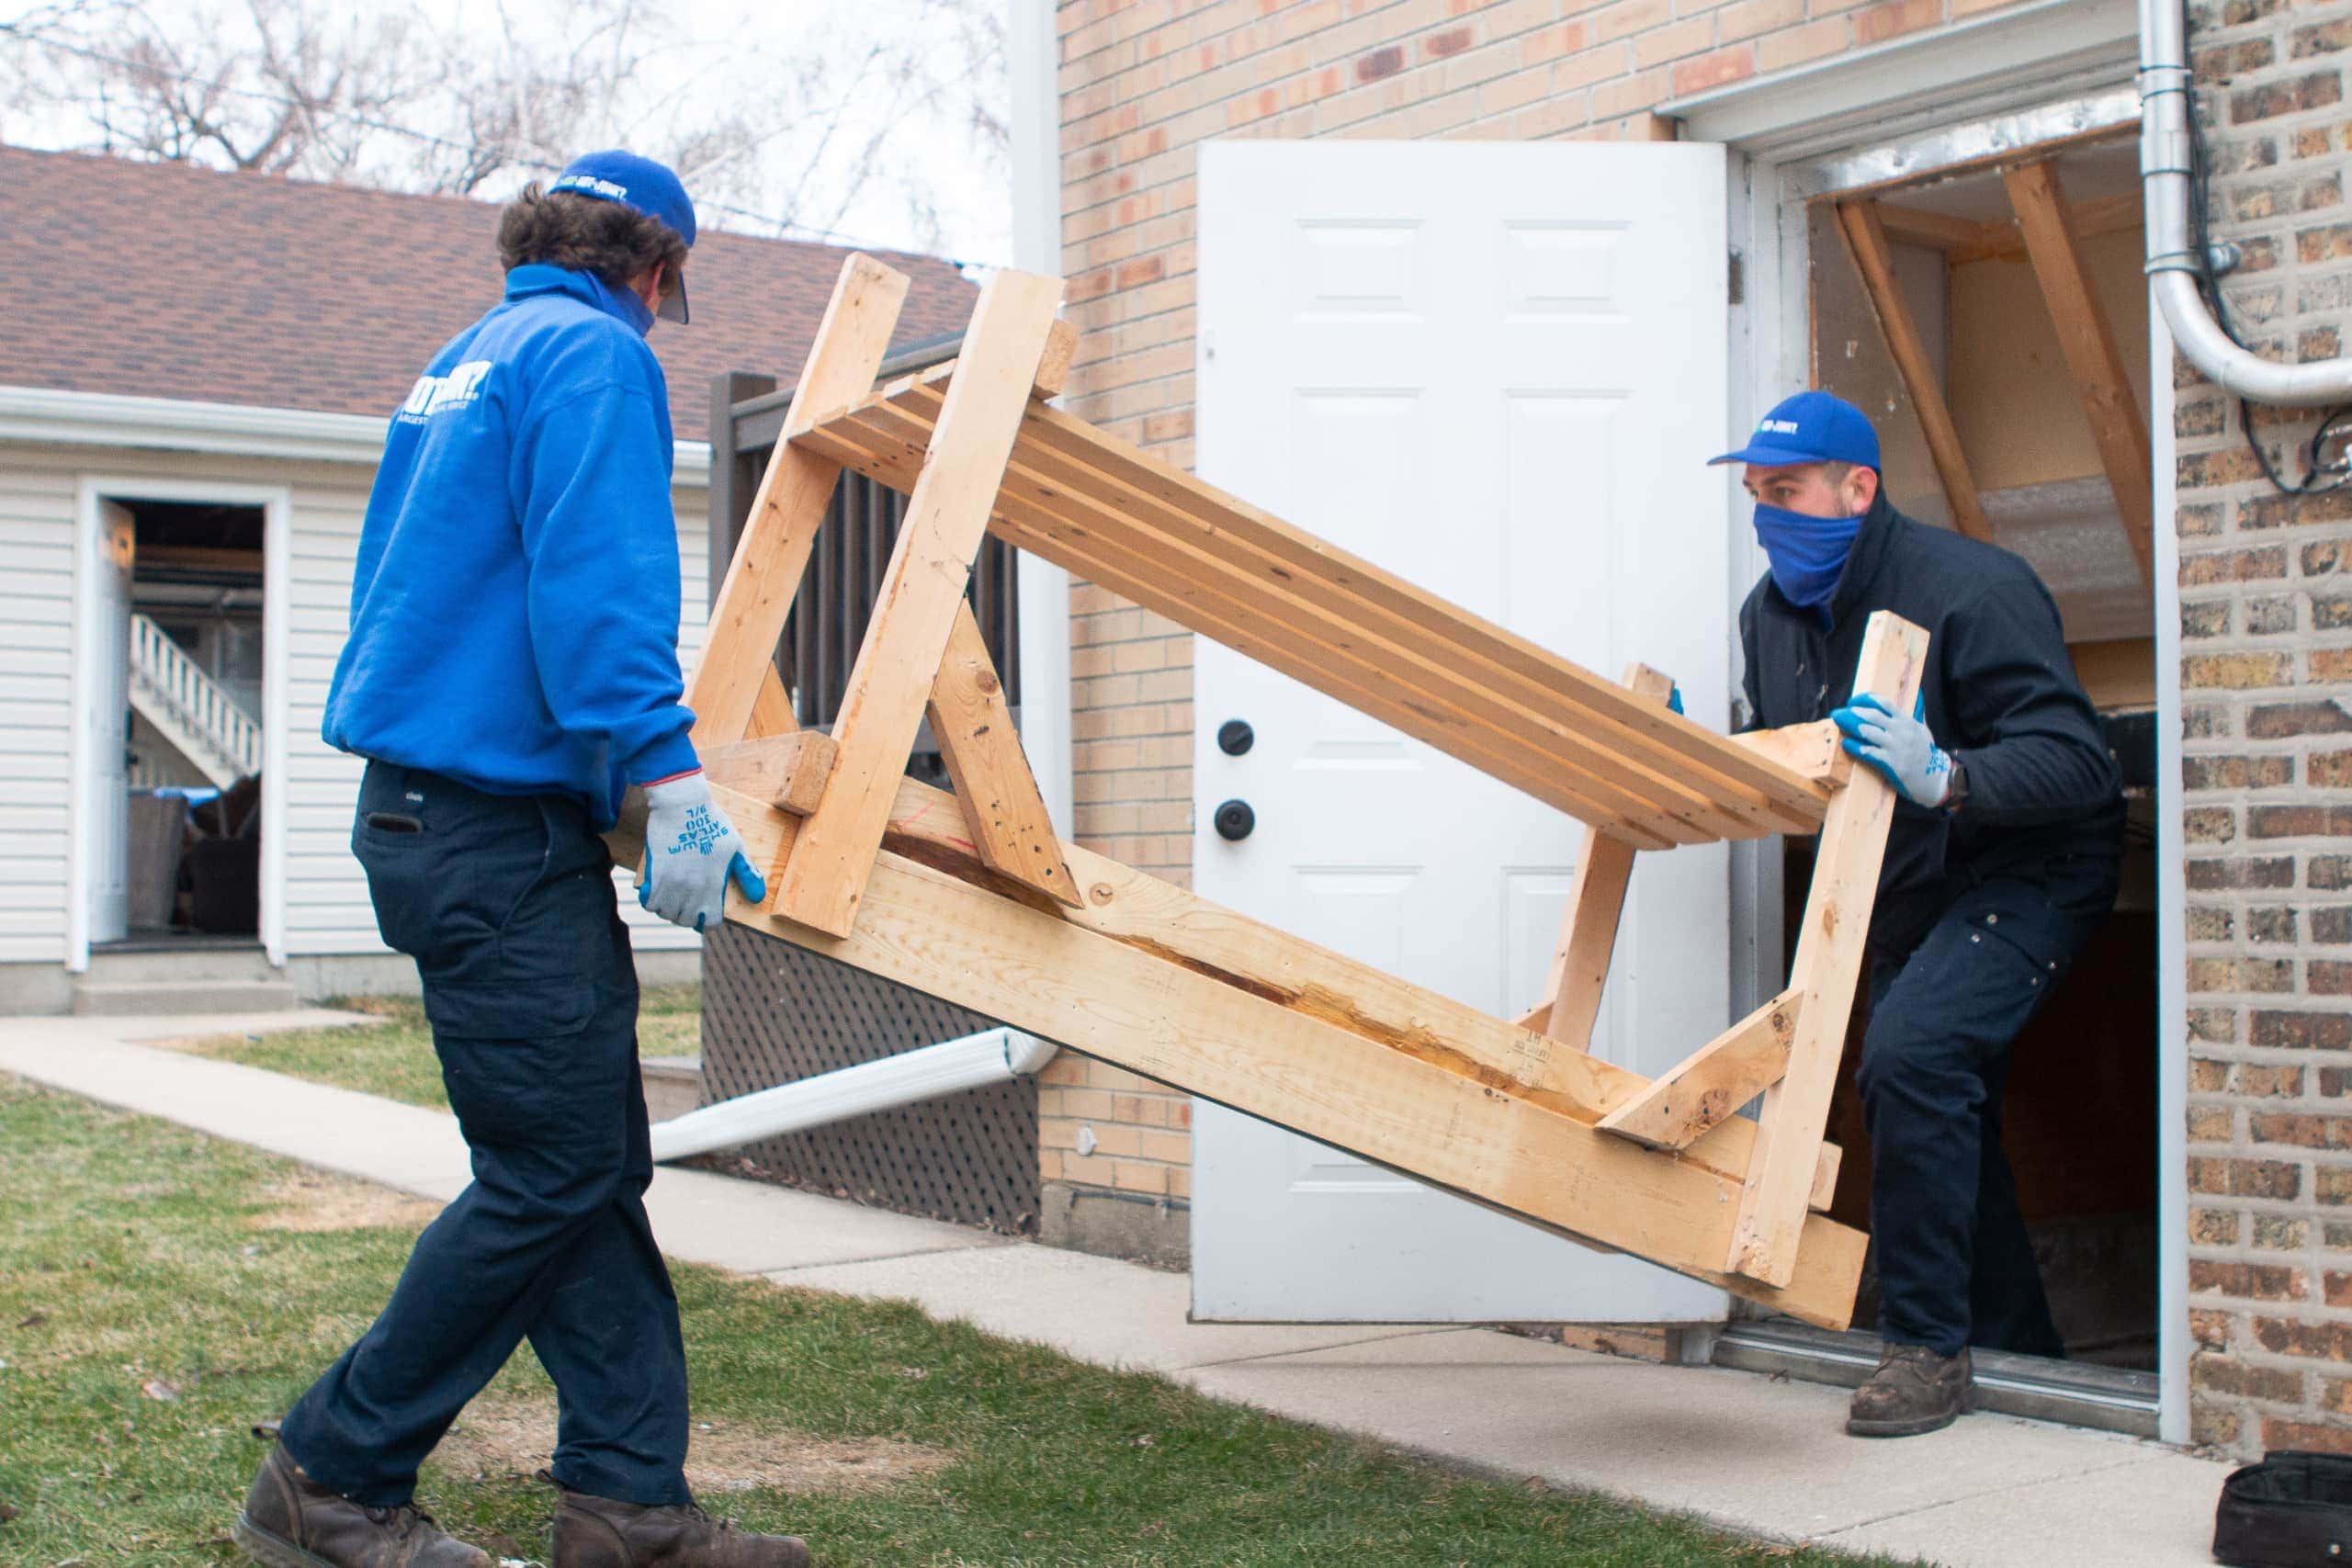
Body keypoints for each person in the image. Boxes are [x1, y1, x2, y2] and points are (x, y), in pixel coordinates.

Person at [232, 151, 800, 1568]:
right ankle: (331, 1470)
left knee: (587, 1162)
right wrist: (665, 780)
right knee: (549, 1169)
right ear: (658, 271)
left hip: (444, 813)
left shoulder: (467, 355)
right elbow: (597, 590)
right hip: (486, 827)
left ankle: (629, 1505)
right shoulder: (596, 358)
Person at [1712, 390, 2124, 1439]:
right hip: (1907, 884)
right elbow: (1797, 760)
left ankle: (1926, 1348)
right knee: (1932, 1092)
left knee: (1909, 1055)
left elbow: (2078, 763)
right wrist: (1709, 762)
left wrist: (1944, 773)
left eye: (1788, 491)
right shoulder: (1769, 616)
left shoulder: (1970, 588)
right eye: (1757, 494)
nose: (1770, 514)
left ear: (1858, 488)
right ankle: (2019, 1344)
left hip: (2025, 869)